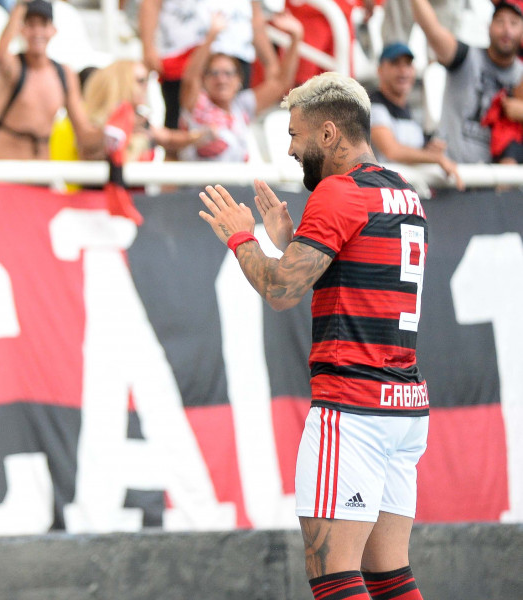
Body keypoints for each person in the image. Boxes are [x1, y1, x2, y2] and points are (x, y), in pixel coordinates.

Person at [199, 72, 428, 600]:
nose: (290, 149)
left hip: (352, 408)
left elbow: (281, 290)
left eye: (295, 134)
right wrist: (291, 243)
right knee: (390, 577)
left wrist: (242, 237)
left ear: (329, 133)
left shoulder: (338, 193)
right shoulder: (404, 192)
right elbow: (359, 273)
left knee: (334, 577)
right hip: (403, 407)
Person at [179, 11, 303, 162]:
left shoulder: (241, 106)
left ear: (238, 80)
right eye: (214, 73)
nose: (221, 79)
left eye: (228, 73)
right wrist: (211, 36)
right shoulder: (198, 104)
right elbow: (190, 78)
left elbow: (280, 84)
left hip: (237, 176)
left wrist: (295, 39)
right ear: (205, 80)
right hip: (199, 177)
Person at [411, 0, 523, 164]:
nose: (507, 29)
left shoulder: (520, 74)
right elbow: (432, 30)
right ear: (488, 27)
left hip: (498, 176)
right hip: (452, 169)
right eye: (500, 21)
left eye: (513, 23)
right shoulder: (466, 56)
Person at [0, 0, 99, 160]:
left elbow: (82, 131)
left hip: (42, 165)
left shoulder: (64, 74)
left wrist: (110, 132)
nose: (37, 32)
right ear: (22, 29)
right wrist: (20, 6)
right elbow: (2, 54)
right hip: (7, 162)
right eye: (31, 25)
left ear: (53, 30)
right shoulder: (14, 67)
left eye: (43, 25)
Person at [139, 0, 276, 130]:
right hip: (183, 53)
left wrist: (271, 62)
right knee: (180, 119)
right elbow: (151, 3)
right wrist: (148, 47)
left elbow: (255, 15)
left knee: (234, 120)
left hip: (236, 53)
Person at [370, 42, 464, 188]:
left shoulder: (411, 111)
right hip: (381, 192)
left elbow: (408, 151)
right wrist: (435, 158)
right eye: (395, 64)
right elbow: (391, 151)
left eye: (408, 64)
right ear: (380, 70)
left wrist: (429, 149)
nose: (403, 71)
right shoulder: (372, 105)